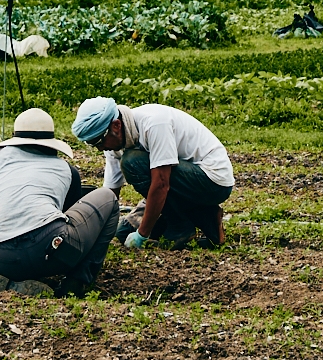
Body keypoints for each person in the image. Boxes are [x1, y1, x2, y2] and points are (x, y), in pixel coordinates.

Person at [0, 108, 120, 298]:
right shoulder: (67, 171)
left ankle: (13, 284)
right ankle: (77, 282)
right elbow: (68, 214)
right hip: (49, 250)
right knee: (108, 198)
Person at [72, 97, 234, 248]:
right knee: (123, 232)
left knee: (132, 162)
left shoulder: (154, 123)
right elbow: (111, 193)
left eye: (99, 141)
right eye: (92, 144)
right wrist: (98, 233)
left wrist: (142, 234)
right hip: (183, 182)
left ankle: (182, 227)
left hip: (212, 181)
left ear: (116, 125)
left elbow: (161, 184)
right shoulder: (113, 141)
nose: (100, 148)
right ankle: (207, 217)